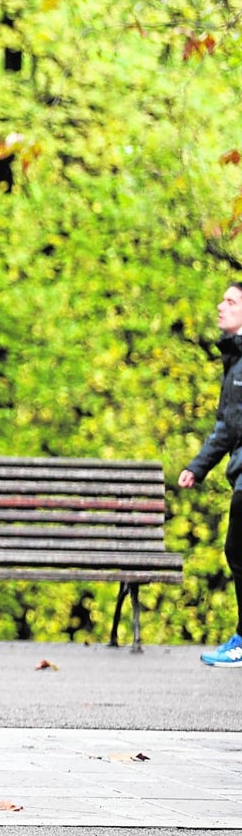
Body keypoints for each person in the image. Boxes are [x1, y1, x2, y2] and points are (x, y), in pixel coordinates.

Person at [181, 281, 242, 667]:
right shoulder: (235, 360)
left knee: (238, 552)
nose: (221, 306)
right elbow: (228, 425)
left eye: (231, 301)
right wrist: (197, 467)